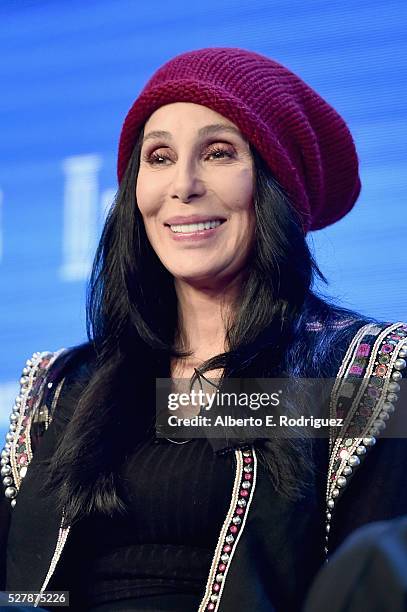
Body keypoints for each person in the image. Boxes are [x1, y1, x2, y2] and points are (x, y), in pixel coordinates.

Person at [0, 47, 406, 612]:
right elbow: (18, 587)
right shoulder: (66, 385)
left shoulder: (360, 373)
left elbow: (371, 586)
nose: (183, 185)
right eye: (159, 157)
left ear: (274, 188)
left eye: (218, 153)